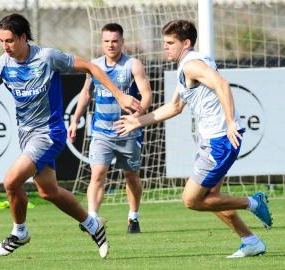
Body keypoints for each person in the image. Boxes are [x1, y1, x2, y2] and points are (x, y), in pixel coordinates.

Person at [0, 13, 141, 258]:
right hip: (26, 135)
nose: (5, 46)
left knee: (11, 181)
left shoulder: (47, 57)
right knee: (49, 191)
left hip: (49, 132)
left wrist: (120, 95)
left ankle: (20, 232)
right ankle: (93, 224)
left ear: (23, 37)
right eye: (1, 41)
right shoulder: (3, 64)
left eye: (9, 41)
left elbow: (91, 67)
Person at [114, 20, 272, 258]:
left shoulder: (191, 65)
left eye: (170, 43)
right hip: (211, 140)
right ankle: (251, 241)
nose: (165, 48)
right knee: (212, 199)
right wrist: (138, 121)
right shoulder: (186, 66)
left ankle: (253, 203)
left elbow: (222, 84)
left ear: (185, 43)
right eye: (164, 43)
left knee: (191, 200)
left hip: (220, 141)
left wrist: (230, 121)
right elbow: (175, 107)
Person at [68, 23, 152, 233]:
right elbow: (86, 94)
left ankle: (133, 217)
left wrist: (136, 117)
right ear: (102, 43)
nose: (111, 45)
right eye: (107, 41)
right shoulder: (94, 66)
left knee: (131, 175)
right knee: (97, 173)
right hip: (101, 131)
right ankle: (93, 220)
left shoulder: (133, 65)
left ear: (122, 42)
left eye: (115, 41)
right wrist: (74, 120)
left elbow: (147, 94)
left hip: (128, 131)